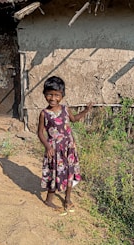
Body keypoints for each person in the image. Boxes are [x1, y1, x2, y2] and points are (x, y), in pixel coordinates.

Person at [37, 76, 93, 212]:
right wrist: (48, 146)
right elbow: (40, 133)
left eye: (57, 95)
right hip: (54, 150)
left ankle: (67, 199)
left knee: (69, 172)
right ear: (44, 94)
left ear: (62, 95)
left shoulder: (65, 109)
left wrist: (86, 111)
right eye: (49, 94)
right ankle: (49, 200)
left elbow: (74, 120)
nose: (52, 98)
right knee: (54, 173)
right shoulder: (44, 113)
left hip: (68, 148)